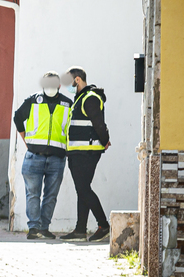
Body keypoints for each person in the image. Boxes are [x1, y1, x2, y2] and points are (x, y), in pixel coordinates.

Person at [13, 71, 72, 239]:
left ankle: (44, 228)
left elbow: (71, 129)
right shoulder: (33, 101)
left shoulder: (67, 104)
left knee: (51, 196)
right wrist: (26, 140)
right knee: (33, 194)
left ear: (59, 86)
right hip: (34, 156)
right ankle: (34, 229)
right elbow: (17, 117)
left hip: (57, 159)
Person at [60, 66, 111, 242]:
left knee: (83, 189)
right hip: (77, 152)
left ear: (78, 80)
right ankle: (80, 230)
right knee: (82, 190)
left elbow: (99, 124)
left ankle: (103, 225)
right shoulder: (79, 99)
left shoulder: (90, 98)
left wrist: (105, 140)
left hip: (87, 152)